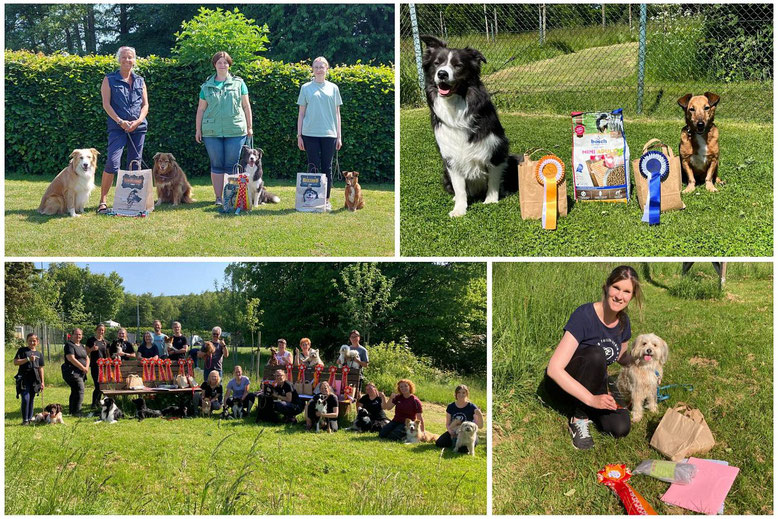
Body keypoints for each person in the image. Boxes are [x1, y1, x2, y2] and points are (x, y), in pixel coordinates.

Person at [545, 265, 641, 450]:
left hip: (595, 385)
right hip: (561, 386)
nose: (619, 296)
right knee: (596, 354)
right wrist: (590, 399)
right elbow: (554, 369)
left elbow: (621, 357)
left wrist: (644, 364)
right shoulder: (584, 315)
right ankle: (579, 417)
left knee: (620, 428)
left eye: (627, 291)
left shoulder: (623, 322)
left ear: (632, 296)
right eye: (616, 288)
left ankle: (591, 406)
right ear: (606, 287)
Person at [195, 51, 252, 205]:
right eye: (219, 62)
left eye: (225, 62)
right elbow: (201, 109)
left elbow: (246, 106)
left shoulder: (239, 83)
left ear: (229, 64)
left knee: (232, 164)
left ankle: (232, 196)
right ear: (215, 64)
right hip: (211, 132)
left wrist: (249, 127)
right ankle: (219, 198)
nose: (222, 65)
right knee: (217, 164)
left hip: (235, 130)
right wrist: (198, 130)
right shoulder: (206, 87)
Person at [97, 46, 149, 214]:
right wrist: (120, 121)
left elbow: (145, 105)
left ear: (135, 60)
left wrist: (138, 121)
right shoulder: (109, 79)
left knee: (134, 165)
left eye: (131, 57)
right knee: (112, 163)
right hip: (117, 128)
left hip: (138, 127)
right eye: (124, 57)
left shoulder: (140, 80)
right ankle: (103, 201)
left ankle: (130, 201)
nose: (128, 60)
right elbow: (106, 104)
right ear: (119, 59)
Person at [296, 56, 343, 211]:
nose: (318, 69)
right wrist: (299, 135)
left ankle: (326, 200)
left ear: (327, 68)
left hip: (329, 134)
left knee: (327, 167)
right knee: (313, 166)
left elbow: (337, 114)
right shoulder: (305, 88)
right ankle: (312, 199)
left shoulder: (333, 88)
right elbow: (301, 113)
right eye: (315, 67)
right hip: (309, 134)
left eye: (321, 66)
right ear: (312, 69)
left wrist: (339, 136)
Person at [435, 384, 485, 451]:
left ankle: (459, 443)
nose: (461, 394)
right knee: (439, 443)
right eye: (459, 392)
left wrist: (480, 415)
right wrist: (450, 431)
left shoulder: (472, 407)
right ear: (455, 394)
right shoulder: (451, 406)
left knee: (463, 449)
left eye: (463, 393)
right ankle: (454, 441)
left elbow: (480, 426)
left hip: (468, 434)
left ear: (466, 394)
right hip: (454, 431)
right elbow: (447, 424)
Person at [13, 333, 45, 425]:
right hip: (24, 378)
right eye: (30, 340)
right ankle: (25, 420)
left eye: (34, 340)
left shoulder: (39, 354)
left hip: (35, 379)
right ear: (27, 341)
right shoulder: (22, 351)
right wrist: (27, 359)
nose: (32, 342)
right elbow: (15, 362)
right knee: (25, 398)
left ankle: (30, 418)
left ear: (37, 342)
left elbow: (40, 368)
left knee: (31, 398)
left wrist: (42, 382)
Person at [61, 328, 89, 416]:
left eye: (80, 334)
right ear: (72, 335)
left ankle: (72, 411)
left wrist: (86, 367)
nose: (78, 336)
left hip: (81, 372)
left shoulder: (81, 346)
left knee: (75, 391)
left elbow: (87, 357)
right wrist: (82, 368)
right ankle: (77, 412)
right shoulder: (69, 345)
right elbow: (71, 358)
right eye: (76, 334)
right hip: (72, 372)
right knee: (80, 389)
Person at [86, 324, 109, 411]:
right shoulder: (91, 340)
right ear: (96, 330)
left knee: (102, 385)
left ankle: (99, 402)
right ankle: (94, 403)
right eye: (99, 330)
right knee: (97, 385)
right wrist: (92, 349)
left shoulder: (105, 342)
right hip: (95, 366)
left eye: (102, 330)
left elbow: (107, 354)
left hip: (104, 367)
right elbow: (86, 352)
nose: (101, 331)